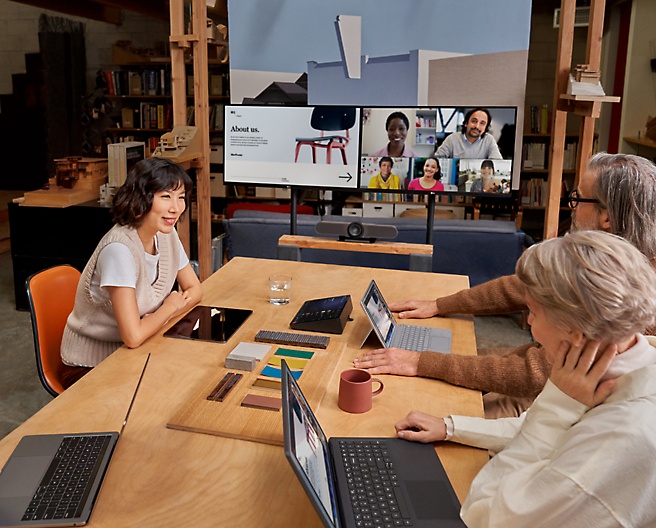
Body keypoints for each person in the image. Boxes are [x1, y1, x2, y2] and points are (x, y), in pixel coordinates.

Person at [354, 153, 656, 418]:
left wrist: (423, 363)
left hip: (558, 407)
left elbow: (535, 373)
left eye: (577, 199)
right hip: (546, 383)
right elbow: (522, 288)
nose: (572, 207)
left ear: (606, 216)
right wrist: (440, 305)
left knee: (424, 409)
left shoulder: (626, 295)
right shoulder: (604, 257)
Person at [394, 231, 656, 527]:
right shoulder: (625, 365)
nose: (528, 322)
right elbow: (538, 430)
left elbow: (484, 515)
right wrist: (451, 427)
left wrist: (558, 405)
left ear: (576, 336)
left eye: (533, 312)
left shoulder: (620, 435)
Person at [61, 157, 203, 383]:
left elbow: (195, 289)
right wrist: (168, 308)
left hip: (141, 348)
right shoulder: (119, 250)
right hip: (91, 364)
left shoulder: (166, 234)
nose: (176, 208)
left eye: (181, 197)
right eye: (165, 196)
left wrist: (157, 318)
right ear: (141, 198)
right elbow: (133, 336)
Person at [435, 108, 502, 160]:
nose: (477, 126)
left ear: (485, 128)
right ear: (466, 123)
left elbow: (497, 162)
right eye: (474, 121)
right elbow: (437, 159)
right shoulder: (452, 138)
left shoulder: (489, 140)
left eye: (482, 123)